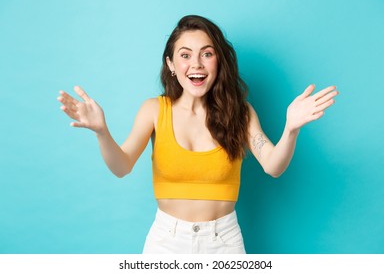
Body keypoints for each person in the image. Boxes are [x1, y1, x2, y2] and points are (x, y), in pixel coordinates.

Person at [57, 15, 338, 254]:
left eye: (207, 53)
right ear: (171, 64)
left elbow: (273, 166)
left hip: (224, 242)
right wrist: (101, 132)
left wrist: (291, 129)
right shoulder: (154, 110)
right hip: (165, 242)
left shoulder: (240, 112)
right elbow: (121, 166)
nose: (197, 64)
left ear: (218, 61)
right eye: (185, 55)